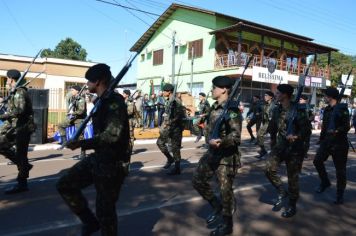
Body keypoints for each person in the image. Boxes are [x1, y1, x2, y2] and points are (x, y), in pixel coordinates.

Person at [56, 63, 130, 235]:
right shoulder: (101, 101)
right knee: (65, 184)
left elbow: (112, 136)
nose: (86, 84)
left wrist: (81, 144)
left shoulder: (114, 102)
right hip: (100, 158)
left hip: (113, 164)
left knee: (105, 212)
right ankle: (89, 222)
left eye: (89, 81)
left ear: (98, 81)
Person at [192, 76, 241, 236]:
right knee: (198, 181)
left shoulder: (231, 110)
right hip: (212, 153)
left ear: (224, 90)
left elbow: (236, 136)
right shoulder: (214, 107)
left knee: (225, 190)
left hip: (226, 157)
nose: (212, 90)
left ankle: (227, 224)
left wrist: (222, 142)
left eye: (214, 88)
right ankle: (217, 206)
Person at [265, 84, 311, 218]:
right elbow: (273, 127)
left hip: (295, 149)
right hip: (280, 146)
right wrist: (272, 144)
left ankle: (292, 205)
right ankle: (281, 190)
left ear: (285, 95)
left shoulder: (299, 110)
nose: (276, 95)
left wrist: (296, 136)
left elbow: (307, 130)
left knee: (293, 179)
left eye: (278, 93)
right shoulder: (277, 109)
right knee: (268, 169)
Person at [0, 69, 36, 194]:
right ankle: (24, 166)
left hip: (23, 127)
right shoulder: (14, 91)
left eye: (7, 79)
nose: (6, 81)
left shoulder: (20, 92)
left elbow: (19, 111)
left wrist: (3, 115)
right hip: (14, 124)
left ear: (11, 79)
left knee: (21, 153)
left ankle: (22, 183)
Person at [313, 88, 350, 204]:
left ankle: (340, 195)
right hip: (327, 142)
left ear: (330, 97)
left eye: (325, 95)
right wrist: (321, 138)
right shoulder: (327, 109)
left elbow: (346, 126)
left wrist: (337, 131)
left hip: (339, 143)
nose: (324, 97)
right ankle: (325, 182)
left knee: (340, 171)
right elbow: (325, 126)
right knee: (317, 161)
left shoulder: (342, 109)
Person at [156, 83, 185, 175]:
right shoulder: (169, 101)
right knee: (159, 143)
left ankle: (177, 168)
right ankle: (170, 158)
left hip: (176, 128)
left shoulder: (176, 101)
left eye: (164, 91)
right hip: (168, 128)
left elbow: (179, 116)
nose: (163, 92)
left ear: (169, 92)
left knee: (175, 148)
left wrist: (169, 122)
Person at [58, 85, 87, 160]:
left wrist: (72, 113)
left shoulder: (81, 99)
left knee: (81, 137)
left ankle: (83, 154)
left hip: (80, 119)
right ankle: (64, 142)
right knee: (61, 125)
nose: (71, 91)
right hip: (72, 118)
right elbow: (67, 98)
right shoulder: (73, 98)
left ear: (77, 91)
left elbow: (81, 111)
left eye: (72, 90)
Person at [256, 91, 275, 159]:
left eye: (266, 95)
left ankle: (273, 154)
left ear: (271, 97)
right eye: (264, 95)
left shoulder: (274, 105)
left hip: (272, 123)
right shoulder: (265, 105)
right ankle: (263, 150)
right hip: (266, 123)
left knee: (273, 139)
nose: (265, 97)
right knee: (259, 135)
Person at [299, 94, 314, 159]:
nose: (300, 100)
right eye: (299, 99)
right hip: (299, 127)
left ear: (305, 100)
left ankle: (305, 153)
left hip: (307, 127)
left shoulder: (308, 107)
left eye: (301, 99)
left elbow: (312, 116)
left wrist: (309, 119)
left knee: (306, 141)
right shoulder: (297, 106)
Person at [122, 89, 136, 154]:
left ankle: (130, 149)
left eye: (124, 93)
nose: (123, 94)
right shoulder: (124, 101)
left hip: (129, 121)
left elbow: (130, 112)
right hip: (125, 121)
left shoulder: (130, 101)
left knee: (130, 136)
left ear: (127, 94)